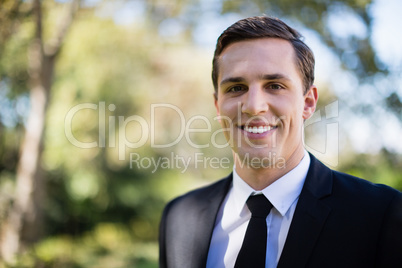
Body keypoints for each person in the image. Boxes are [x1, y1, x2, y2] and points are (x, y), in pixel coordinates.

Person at [159, 16, 402, 268]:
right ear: (218, 105)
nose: (254, 106)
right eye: (236, 88)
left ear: (308, 102)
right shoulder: (178, 218)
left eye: (274, 85)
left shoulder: (381, 215)